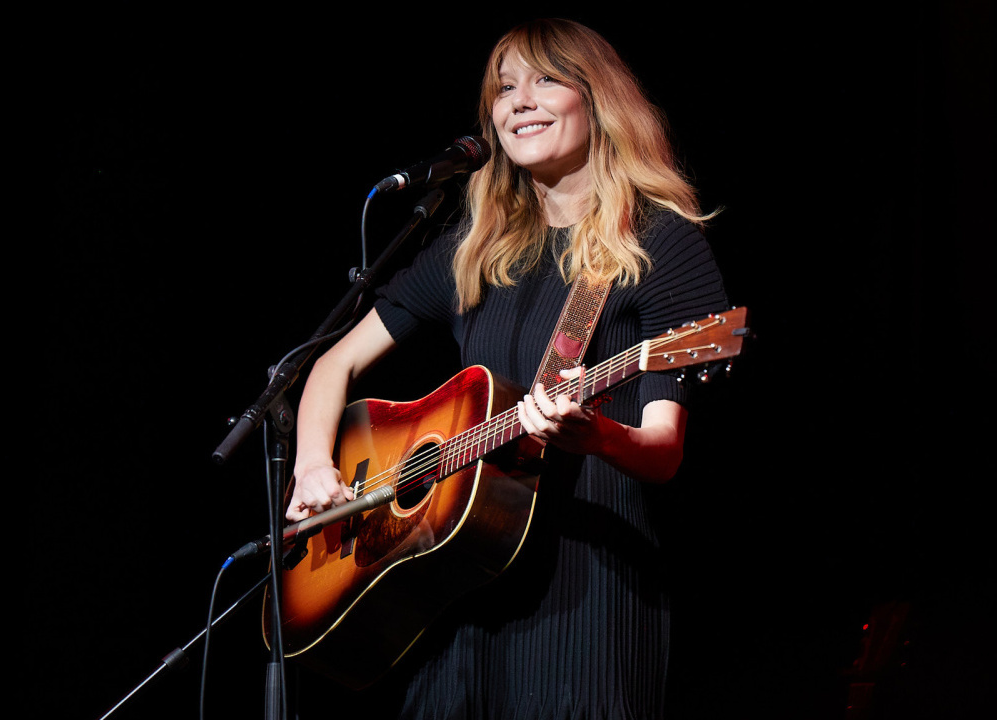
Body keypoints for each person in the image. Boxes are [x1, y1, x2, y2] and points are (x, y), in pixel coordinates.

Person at [286, 18, 730, 719]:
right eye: (504, 87)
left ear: (599, 100)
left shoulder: (658, 244)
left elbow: (664, 451)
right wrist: (314, 465)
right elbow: (330, 365)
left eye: (546, 79)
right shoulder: (474, 252)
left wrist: (595, 436)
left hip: (587, 586)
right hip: (453, 584)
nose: (519, 100)